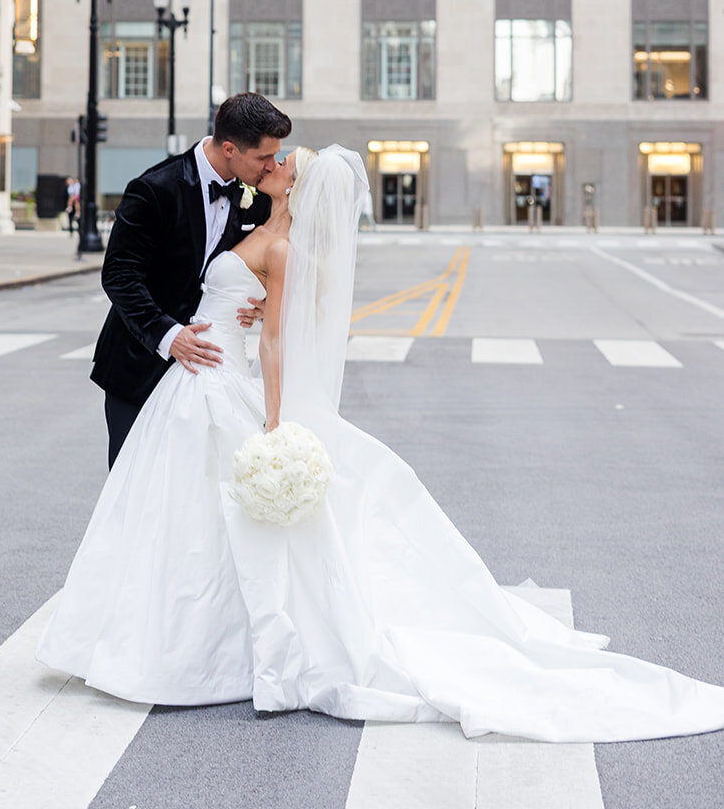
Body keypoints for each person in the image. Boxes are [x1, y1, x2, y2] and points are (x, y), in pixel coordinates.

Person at [38, 144, 724, 742]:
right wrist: (212, 314)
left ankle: (198, 648)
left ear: (296, 187)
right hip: (182, 377)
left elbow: (275, 336)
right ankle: (152, 635)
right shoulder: (250, 215)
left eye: (283, 164)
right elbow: (182, 273)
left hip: (220, 379)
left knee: (214, 520)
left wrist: (276, 422)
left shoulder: (280, 244)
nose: (274, 165)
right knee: (171, 514)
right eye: (269, 157)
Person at [89, 92, 292, 469]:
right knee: (135, 485)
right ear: (229, 148)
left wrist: (265, 304)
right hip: (140, 366)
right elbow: (119, 275)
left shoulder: (258, 199)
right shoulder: (153, 190)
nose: (270, 166)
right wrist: (169, 335)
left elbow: (261, 266)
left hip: (212, 378)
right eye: (263, 157)